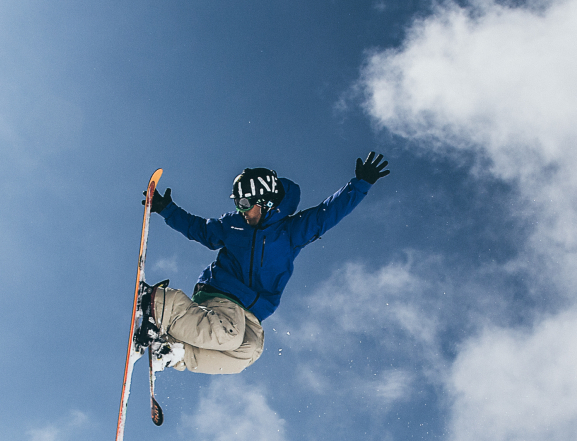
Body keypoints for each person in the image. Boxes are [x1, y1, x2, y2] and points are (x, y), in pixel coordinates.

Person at [138, 152, 391, 374]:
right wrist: (166, 209)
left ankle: (172, 352)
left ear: (266, 202)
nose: (241, 210)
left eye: (245, 203)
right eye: (237, 203)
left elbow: (327, 213)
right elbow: (201, 230)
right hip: (222, 293)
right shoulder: (233, 225)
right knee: (229, 334)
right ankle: (159, 303)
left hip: (251, 311)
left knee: (246, 352)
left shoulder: (290, 232)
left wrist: (359, 185)